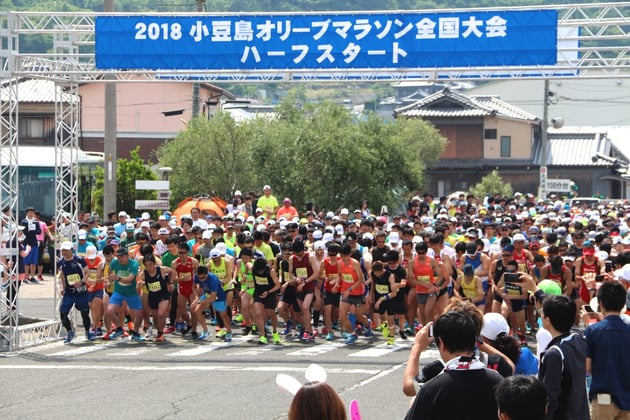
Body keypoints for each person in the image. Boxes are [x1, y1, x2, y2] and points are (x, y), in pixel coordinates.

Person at [404, 311, 503, 420]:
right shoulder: (498, 381)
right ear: (475, 340)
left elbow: (409, 386)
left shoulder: (432, 389)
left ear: (441, 343)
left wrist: (417, 348)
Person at [538, 295, 589, 420]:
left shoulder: (554, 354)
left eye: (542, 312)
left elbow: (550, 398)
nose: (540, 315)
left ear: (548, 320)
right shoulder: (578, 337)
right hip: (581, 414)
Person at [585, 281, 630, 419]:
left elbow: (587, 366)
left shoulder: (593, 330)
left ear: (600, 303)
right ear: (623, 304)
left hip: (603, 398)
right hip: (627, 398)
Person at [104, 246, 145, 342]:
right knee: (109, 311)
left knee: (139, 313)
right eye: (118, 257)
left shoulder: (133, 264)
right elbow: (110, 271)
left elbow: (130, 279)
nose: (120, 259)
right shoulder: (114, 263)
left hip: (131, 292)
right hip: (118, 291)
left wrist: (117, 278)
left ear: (127, 256)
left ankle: (135, 332)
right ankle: (119, 328)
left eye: (122, 257)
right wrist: (109, 281)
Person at [57, 241, 94, 343]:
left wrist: (82, 281)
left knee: (85, 313)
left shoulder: (79, 260)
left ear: (72, 250)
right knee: (63, 312)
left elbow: (88, 272)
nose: (65, 253)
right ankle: (69, 331)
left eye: (67, 250)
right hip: (69, 291)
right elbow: (62, 276)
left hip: (81, 291)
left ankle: (87, 331)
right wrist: (62, 287)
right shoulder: (60, 262)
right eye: (63, 251)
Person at [136, 253, 173, 342]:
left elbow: (171, 271)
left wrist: (170, 282)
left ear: (154, 264)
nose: (149, 267)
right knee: (156, 317)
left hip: (163, 295)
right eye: (146, 265)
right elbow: (137, 291)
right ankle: (159, 331)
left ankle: (160, 333)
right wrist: (139, 286)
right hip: (152, 296)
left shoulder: (162, 270)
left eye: (151, 264)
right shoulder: (143, 274)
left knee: (161, 314)